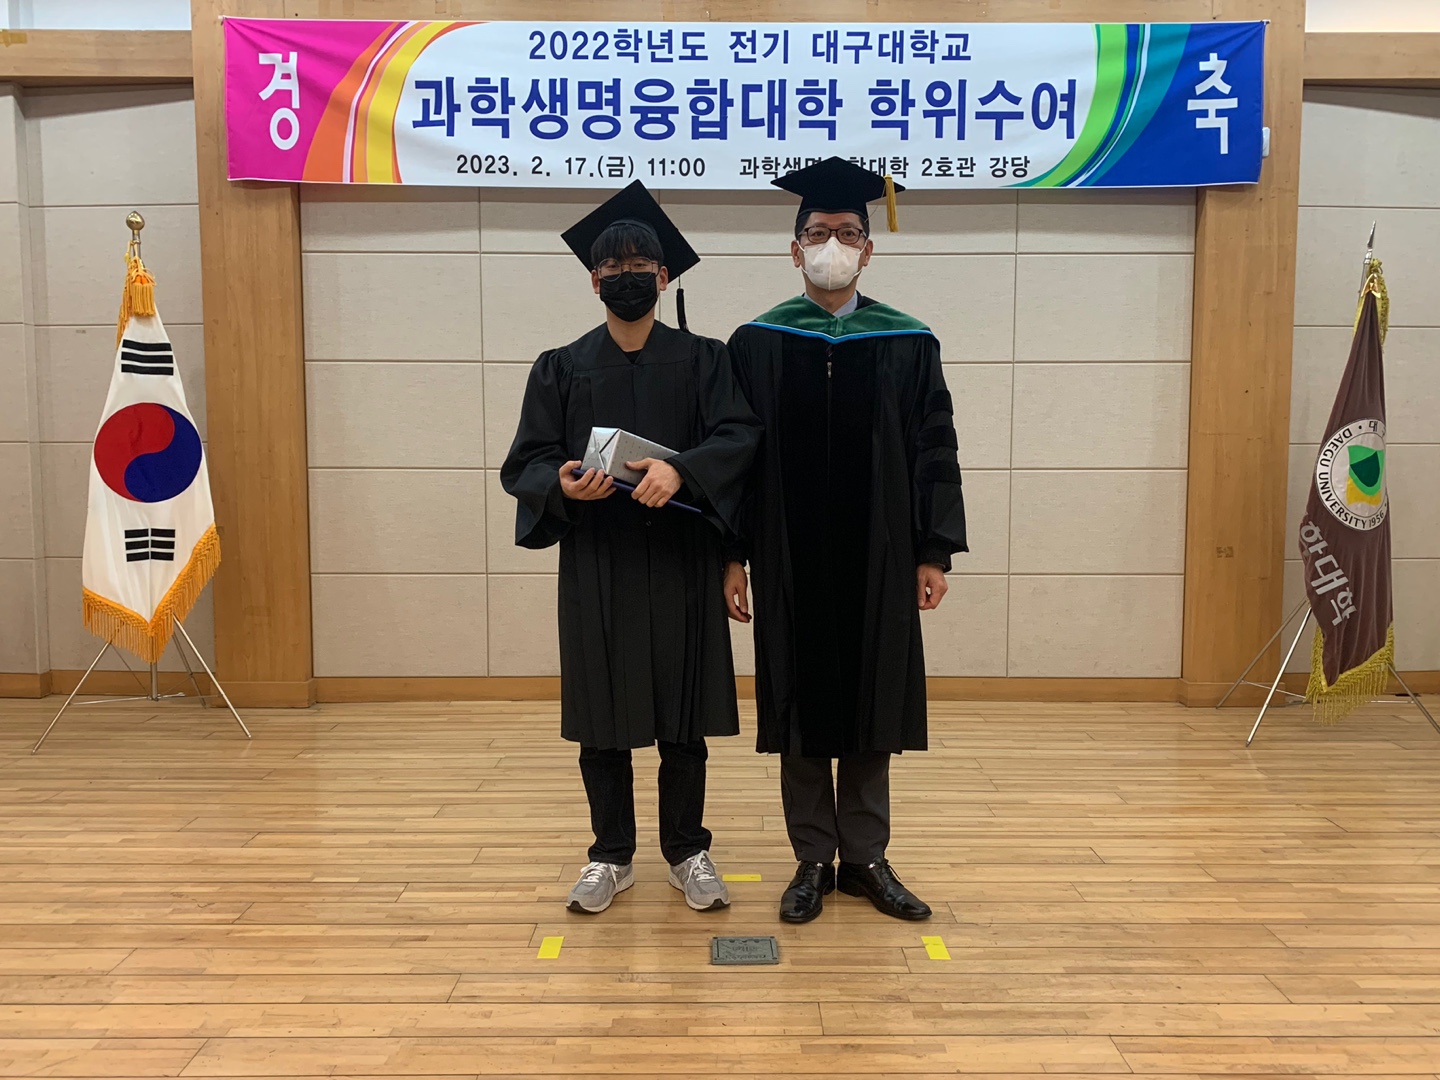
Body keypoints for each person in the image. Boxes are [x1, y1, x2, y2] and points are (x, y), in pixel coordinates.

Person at [501, 181, 761, 915]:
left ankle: (687, 850)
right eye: (612, 267)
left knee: (682, 714)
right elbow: (525, 462)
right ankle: (610, 855)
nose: (626, 276)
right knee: (602, 715)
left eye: (641, 265)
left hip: (682, 558)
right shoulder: (560, 366)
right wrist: (562, 484)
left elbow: (740, 439)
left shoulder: (706, 360)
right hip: (600, 559)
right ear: (594, 281)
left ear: (664, 275)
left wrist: (685, 472)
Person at [723, 158, 967, 923]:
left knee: (872, 700)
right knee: (798, 704)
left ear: (869, 248)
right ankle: (810, 859)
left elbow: (934, 448)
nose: (834, 244)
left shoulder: (909, 341)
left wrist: (933, 549)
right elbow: (733, 456)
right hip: (786, 552)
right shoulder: (756, 342)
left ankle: (863, 857)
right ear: (794, 248)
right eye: (820, 232)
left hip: (881, 553)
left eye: (849, 232)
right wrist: (731, 553)